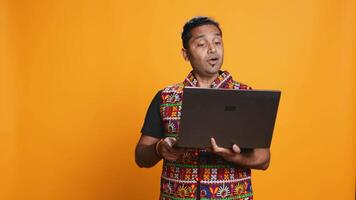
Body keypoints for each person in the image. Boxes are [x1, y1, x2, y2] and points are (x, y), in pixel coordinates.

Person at [135, 16, 270, 200]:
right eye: (201, 44)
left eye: (217, 42)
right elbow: (141, 156)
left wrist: (233, 157)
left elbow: (264, 159)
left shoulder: (246, 96)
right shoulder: (166, 97)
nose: (212, 49)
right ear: (185, 54)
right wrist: (159, 149)